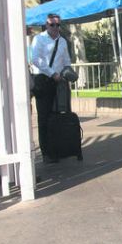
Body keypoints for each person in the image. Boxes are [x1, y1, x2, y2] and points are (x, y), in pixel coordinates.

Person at [29, 13, 72, 163]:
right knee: (44, 117)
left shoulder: (62, 41)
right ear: (46, 25)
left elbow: (66, 60)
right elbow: (35, 59)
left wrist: (67, 72)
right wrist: (52, 73)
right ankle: (46, 152)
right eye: (51, 24)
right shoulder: (39, 39)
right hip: (43, 80)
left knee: (58, 115)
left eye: (57, 25)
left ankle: (57, 148)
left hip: (59, 81)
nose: (55, 27)